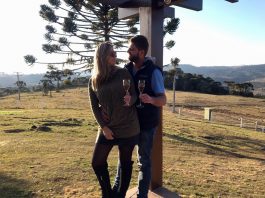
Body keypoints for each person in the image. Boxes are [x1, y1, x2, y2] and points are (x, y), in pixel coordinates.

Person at [114, 35, 167, 198]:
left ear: (142, 52)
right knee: (123, 158)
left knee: (143, 162)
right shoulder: (126, 69)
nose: (128, 51)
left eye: (132, 49)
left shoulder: (154, 72)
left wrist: (151, 99)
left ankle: (141, 196)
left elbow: (163, 99)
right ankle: (117, 193)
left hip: (146, 124)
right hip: (129, 123)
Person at [88, 41, 140, 198]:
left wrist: (130, 100)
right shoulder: (94, 80)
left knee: (125, 163)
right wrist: (103, 127)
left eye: (115, 53)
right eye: (112, 53)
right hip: (107, 128)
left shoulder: (123, 73)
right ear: (102, 57)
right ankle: (107, 193)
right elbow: (94, 106)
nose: (116, 55)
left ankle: (121, 194)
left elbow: (134, 95)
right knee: (96, 162)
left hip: (128, 126)